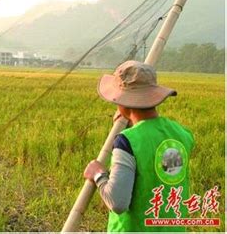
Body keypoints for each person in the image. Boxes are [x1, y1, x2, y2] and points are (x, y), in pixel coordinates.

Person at [83, 60, 194, 232]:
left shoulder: (126, 141)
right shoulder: (182, 134)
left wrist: (98, 174)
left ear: (122, 102)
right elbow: (152, 156)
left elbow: (118, 201)